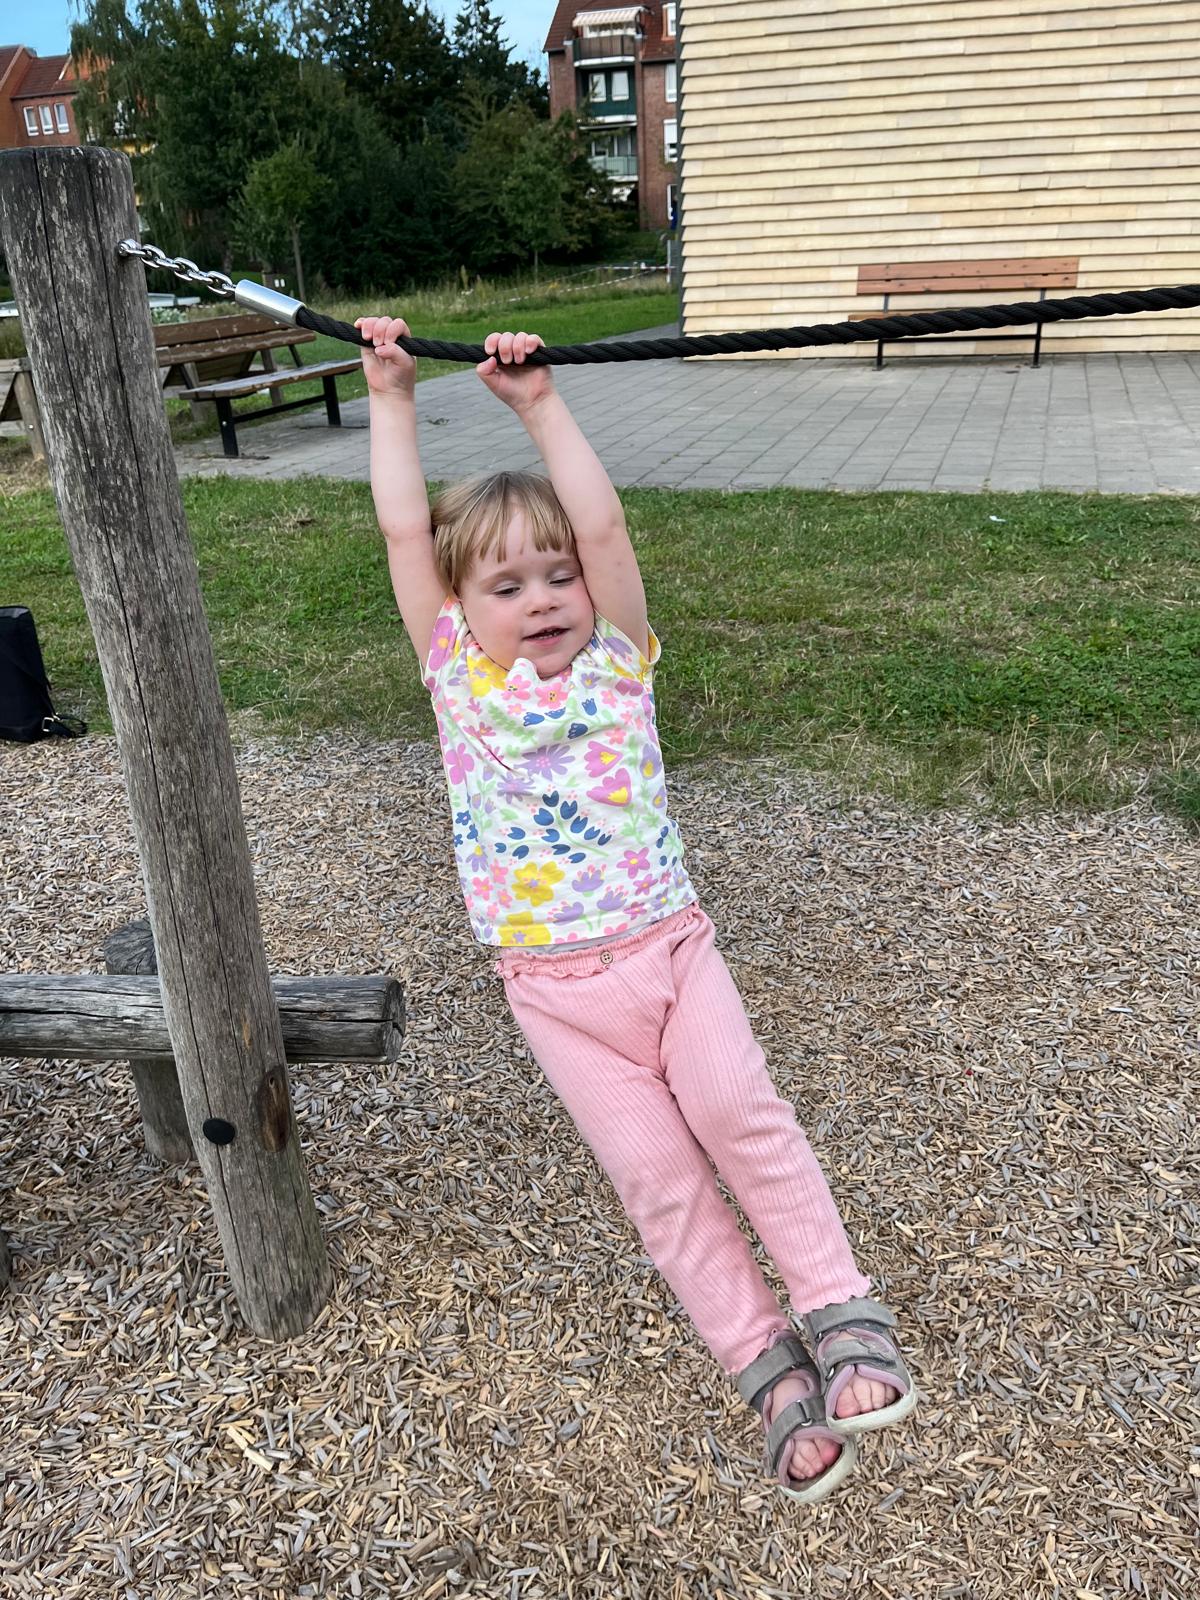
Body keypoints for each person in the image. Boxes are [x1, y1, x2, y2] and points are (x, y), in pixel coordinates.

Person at [358, 315, 918, 1503]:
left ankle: (840, 1309)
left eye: (557, 574)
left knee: (739, 1112)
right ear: (461, 608)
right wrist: (392, 399)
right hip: (552, 994)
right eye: (508, 584)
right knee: (660, 1182)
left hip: (669, 951)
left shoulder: (618, 658)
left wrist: (542, 406)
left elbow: (604, 526)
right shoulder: (457, 679)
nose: (544, 598)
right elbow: (405, 530)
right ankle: (768, 1369)